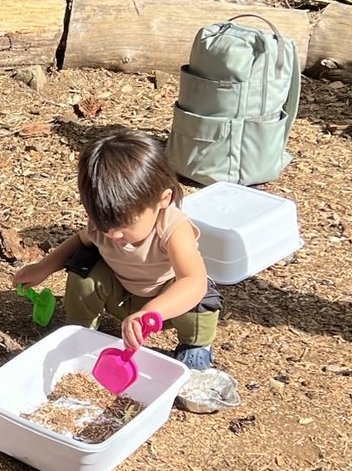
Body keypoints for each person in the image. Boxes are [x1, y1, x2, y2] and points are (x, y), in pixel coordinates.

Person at [12, 128, 221, 369]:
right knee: (83, 269)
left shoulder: (173, 228)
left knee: (200, 299)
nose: (114, 234)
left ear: (163, 199)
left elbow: (193, 281)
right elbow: (79, 241)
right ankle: (80, 331)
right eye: (104, 224)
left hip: (166, 304)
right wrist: (44, 268)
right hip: (122, 296)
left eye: (125, 226)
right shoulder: (106, 225)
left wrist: (151, 312)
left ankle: (196, 344)